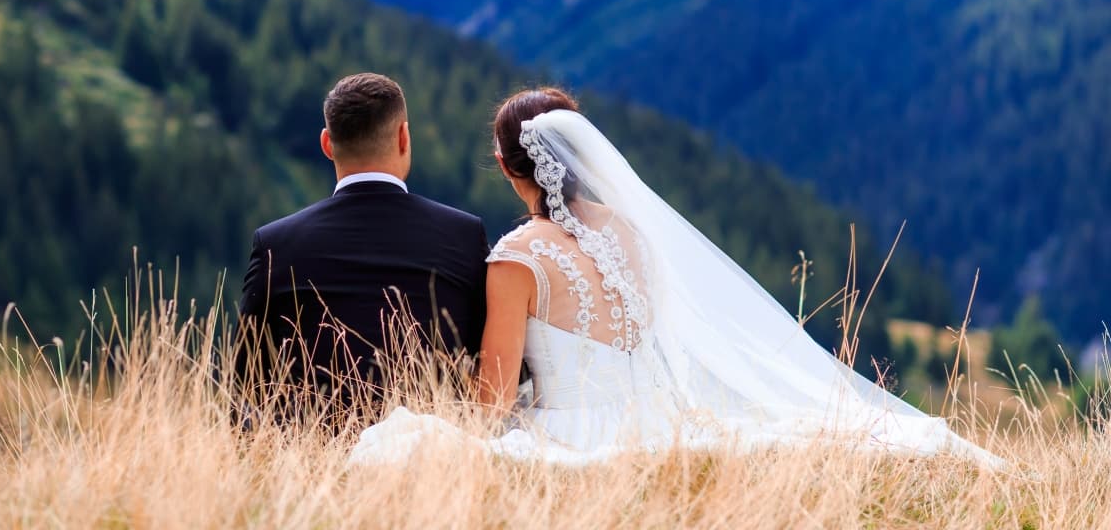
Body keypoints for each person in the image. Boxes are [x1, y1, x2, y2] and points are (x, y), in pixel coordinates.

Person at [348, 87, 1003, 467]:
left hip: (573, 434)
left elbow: (492, 402)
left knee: (399, 443)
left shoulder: (517, 258)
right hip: (658, 420)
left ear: (503, 163)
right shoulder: (634, 233)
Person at [236, 73, 489, 419]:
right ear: (404, 137)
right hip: (433, 443)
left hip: (316, 446)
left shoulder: (276, 243)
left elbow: (247, 379)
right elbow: (490, 359)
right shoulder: (464, 234)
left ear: (327, 144)